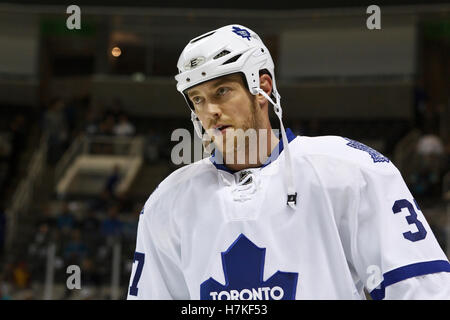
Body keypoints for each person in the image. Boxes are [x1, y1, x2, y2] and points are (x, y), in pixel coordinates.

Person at [127, 25, 450, 300]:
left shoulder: (350, 170)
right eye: (198, 99)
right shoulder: (167, 203)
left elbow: (422, 287)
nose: (209, 111)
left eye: (222, 91)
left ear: (262, 86)